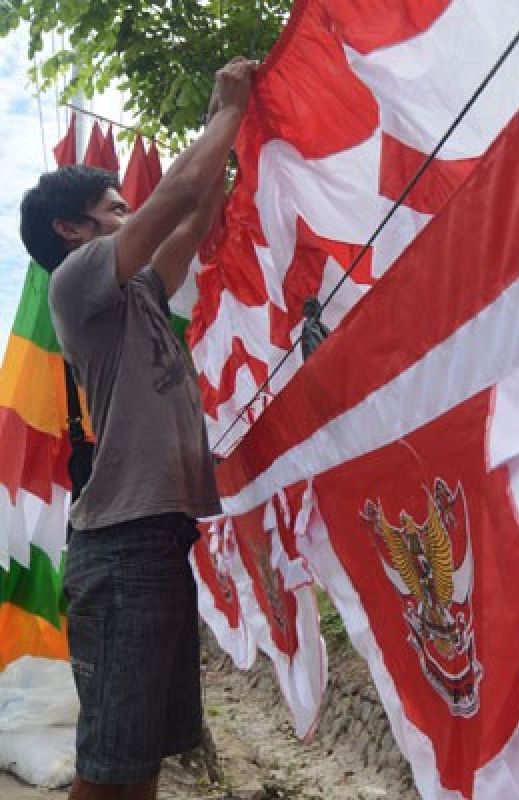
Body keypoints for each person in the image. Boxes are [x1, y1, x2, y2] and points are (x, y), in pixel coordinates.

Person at [18, 56, 258, 800]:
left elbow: (199, 211)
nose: (132, 216)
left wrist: (235, 137)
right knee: (109, 766)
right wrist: (228, 107)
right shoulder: (76, 280)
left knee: (142, 755)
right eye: (119, 208)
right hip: (121, 545)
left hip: (157, 538)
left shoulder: (143, 295)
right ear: (72, 228)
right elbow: (179, 189)